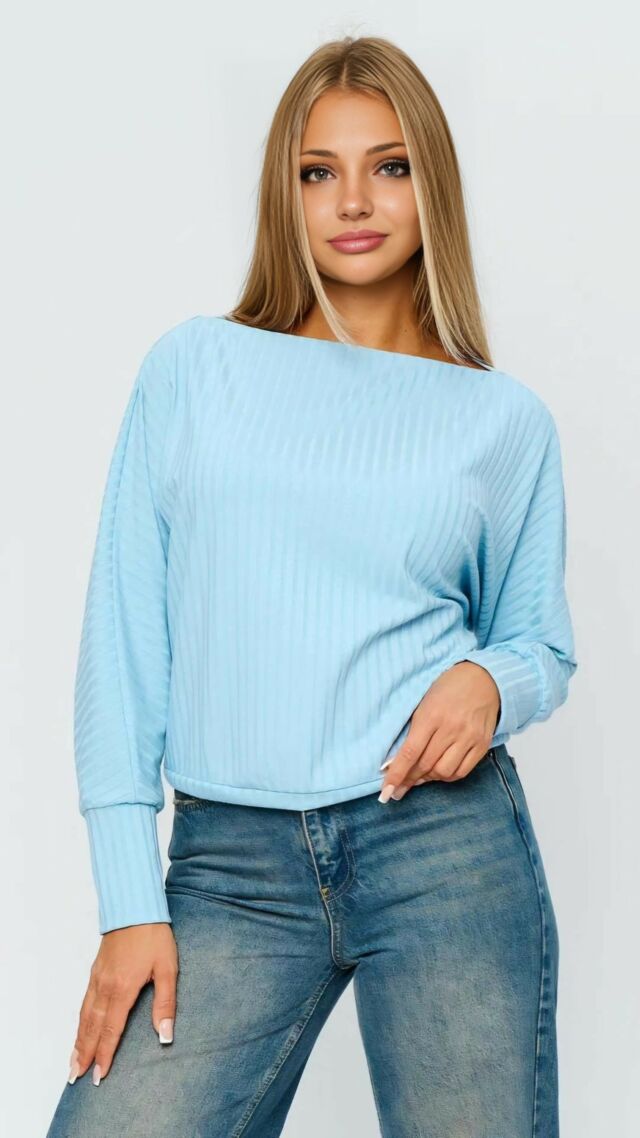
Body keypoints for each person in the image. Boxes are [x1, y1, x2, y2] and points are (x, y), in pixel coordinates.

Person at [46, 34, 578, 1138]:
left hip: (444, 848)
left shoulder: (502, 421)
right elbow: (123, 641)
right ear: (282, 193)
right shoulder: (196, 368)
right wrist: (128, 899)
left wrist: (491, 680)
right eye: (317, 170)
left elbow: (539, 641)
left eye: (390, 166)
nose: (354, 201)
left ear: (433, 184)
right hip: (227, 866)